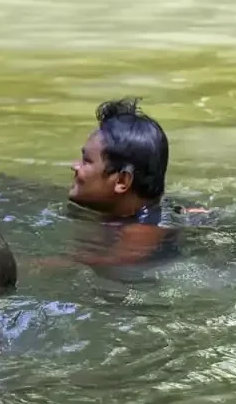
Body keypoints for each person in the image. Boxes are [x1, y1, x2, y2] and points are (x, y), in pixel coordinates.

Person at [44, 97, 181, 275]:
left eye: (86, 161)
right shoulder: (126, 216)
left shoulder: (141, 230)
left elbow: (115, 263)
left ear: (122, 182)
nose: (74, 165)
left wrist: (43, 265)